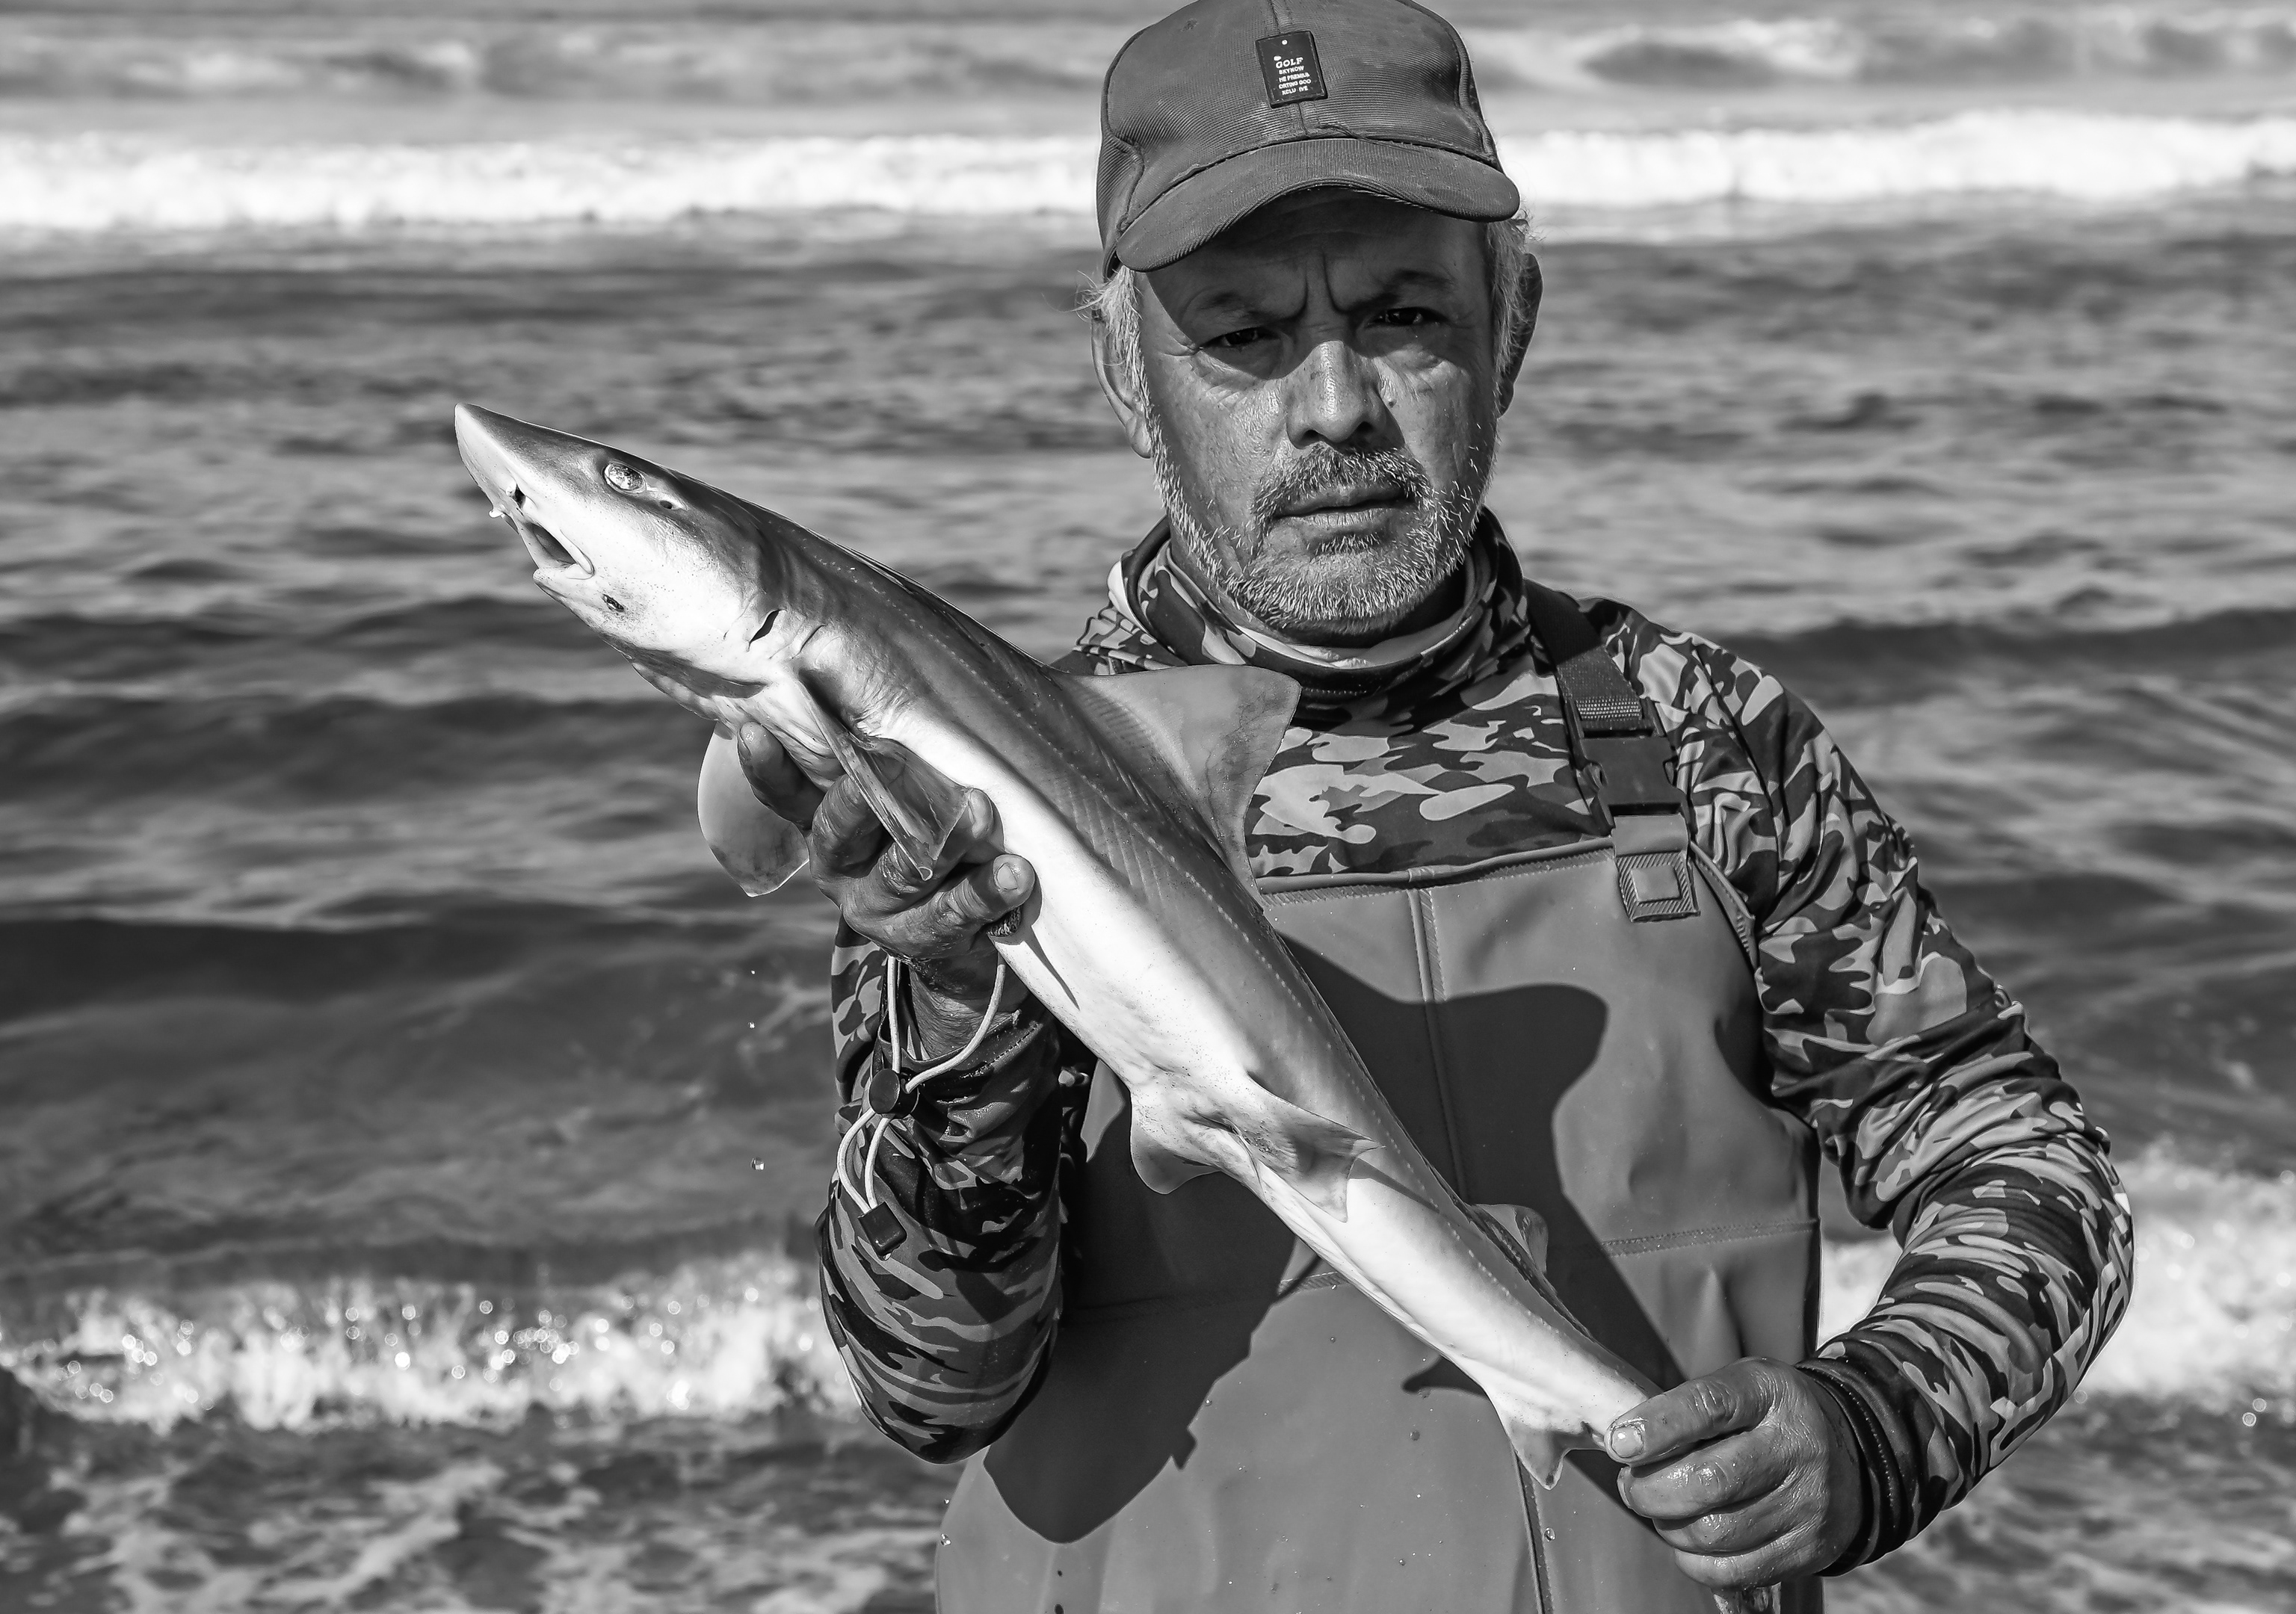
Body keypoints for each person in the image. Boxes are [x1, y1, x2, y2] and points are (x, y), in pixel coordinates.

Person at [730, 0, 2132, 1609]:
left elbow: (2033, 1167)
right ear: (1128, 371)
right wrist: (966, 1008)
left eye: (1400, 314)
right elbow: (930, 1386)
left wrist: (1877, 1422)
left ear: (1510, 323)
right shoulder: (978, 795)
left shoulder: (1702, 741)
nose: (1334, 409)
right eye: (1244, 336)